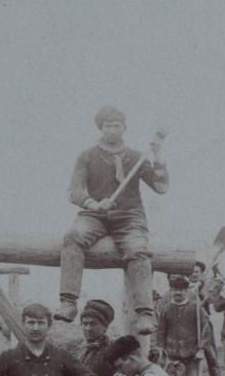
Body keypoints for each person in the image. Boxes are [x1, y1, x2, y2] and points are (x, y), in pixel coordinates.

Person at [57, 107, 166, 336]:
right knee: (73, 237)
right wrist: (93, 204)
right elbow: (74, 191)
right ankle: (68, 302)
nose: (113, 130)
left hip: (130, 217)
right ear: (101, 128)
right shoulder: (87, 155)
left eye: (117, 125)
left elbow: (161, 187)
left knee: (138, 250)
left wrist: (158, 155)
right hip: (95, 215)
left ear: (125, 127)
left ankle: (145, 313)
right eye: (108, 125)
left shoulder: (137, 157)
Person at [155, 270, 219, 376]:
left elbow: (204, 330)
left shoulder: (195, 308)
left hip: (191, 355)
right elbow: (161, 332)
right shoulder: (166, 309)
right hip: (172, 355)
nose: (178, 292)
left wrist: (201, 349)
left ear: (186, 291)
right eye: (175, 289)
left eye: (181, 289)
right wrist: (162, 353)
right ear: (171, 290)